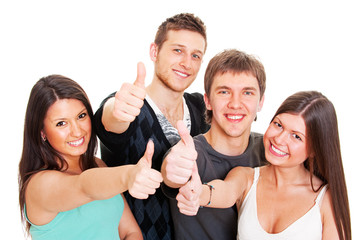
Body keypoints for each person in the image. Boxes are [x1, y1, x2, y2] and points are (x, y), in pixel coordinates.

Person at [94, 13, 209, 239]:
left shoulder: (199, 107)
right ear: (154, 52)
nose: (187, 63)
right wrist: (116, 109)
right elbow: (110, 120)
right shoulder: (131, 106)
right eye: (178, 50)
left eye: (195, 55)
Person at [178, 91, 352, 240]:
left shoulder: (326, 200)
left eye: (296, 136)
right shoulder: (246, 178)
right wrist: (199, 193)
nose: (279, 139)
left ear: (314, 149)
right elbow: (225, 191)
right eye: (278, 125)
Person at [19, 75, 163, 240]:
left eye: (81, 116)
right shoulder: (39, 185)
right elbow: (84, 186)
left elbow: (130, 232)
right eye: (61, 123)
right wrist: (129, 175)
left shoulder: (97, 165)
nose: (77, 131)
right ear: (42, 132)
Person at [161, 49, 268, 239]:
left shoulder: (271, 151)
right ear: (208, 101)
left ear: (261, 101)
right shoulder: (188, 153)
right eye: (224, 92)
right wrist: (171, 169)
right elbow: (172, 172)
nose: (235, 103)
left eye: (247, 92)